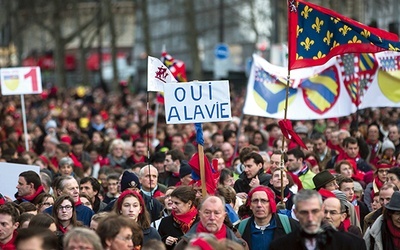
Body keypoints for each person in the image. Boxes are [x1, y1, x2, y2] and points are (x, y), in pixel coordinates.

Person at [269, 189, 366, 250]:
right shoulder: (281, 246)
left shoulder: (352, 244)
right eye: (304, 212)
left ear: (322, 210)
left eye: (314, 211)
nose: (310, 218)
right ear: (295, 213)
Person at [175, 196, 247, 249]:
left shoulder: (239, 246)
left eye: (217, 213)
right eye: (207, 213)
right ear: (200, 215)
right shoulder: (184, 245)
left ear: (224, 216)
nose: (212, 217)